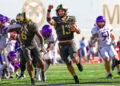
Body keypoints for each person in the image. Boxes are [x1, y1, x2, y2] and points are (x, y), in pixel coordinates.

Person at [47, 4, 83, 84]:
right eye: (59, 11)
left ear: (65, 11)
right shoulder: (56, 19)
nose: (60, 12)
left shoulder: (71, 18)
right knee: (68, 63)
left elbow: (78, 31)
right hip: (61, 44)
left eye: (61, 11)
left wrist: (77, 30)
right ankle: (75, 76)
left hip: (70, 42)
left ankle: (78, 63)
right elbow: (49, 21)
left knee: (73, 57)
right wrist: (49, 10)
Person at [7, 12, 45, 85]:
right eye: (22, 21)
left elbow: (40, 37)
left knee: (40, 60)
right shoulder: (18, 26)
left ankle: (43, 72)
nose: (22, 23)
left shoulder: (33, 25)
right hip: (25, 46)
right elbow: (9, 29)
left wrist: (42, 46)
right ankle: (32, 79)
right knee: (28, 62)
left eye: (24, 21)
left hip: (33, 45)